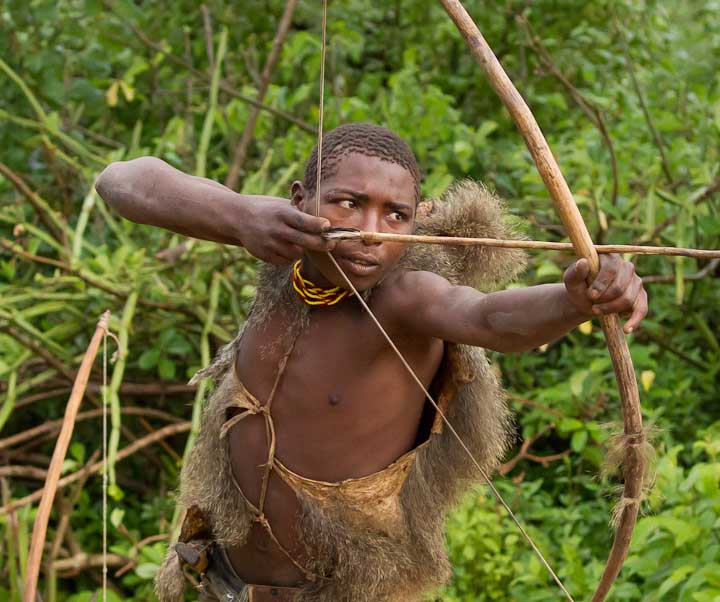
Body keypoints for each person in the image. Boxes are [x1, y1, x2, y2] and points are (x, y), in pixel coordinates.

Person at [95, 122, 647, 602]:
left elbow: (488, 319)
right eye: (348, 202)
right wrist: (239, 215)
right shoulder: (280, 255)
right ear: (299, 198)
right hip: (221, 583)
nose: (371, 232)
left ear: (415, 223)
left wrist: (576, 299)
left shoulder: (408, 299)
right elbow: (121, 181)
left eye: (396, 214)